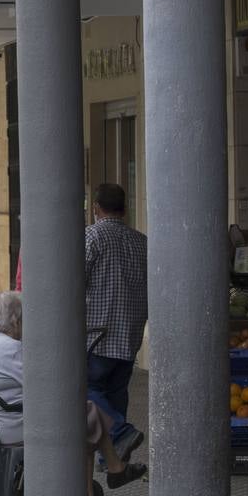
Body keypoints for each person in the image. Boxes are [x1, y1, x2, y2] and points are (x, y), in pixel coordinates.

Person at [0, 291, 146, 496]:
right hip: (17, 424)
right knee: (84, 416)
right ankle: (113, 469)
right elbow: (49, 386)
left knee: (86, 415)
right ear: (15, 321)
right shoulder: (10, 349)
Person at [85, 183, 149, 462]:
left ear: (96, 208)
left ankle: (121, 433)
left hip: (97, 335)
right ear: (125, 209)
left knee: (85, 389)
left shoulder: (91, 237)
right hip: (130, 336)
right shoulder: (141, 241)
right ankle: (113, 462)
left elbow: (75, 281)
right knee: (115, 394)